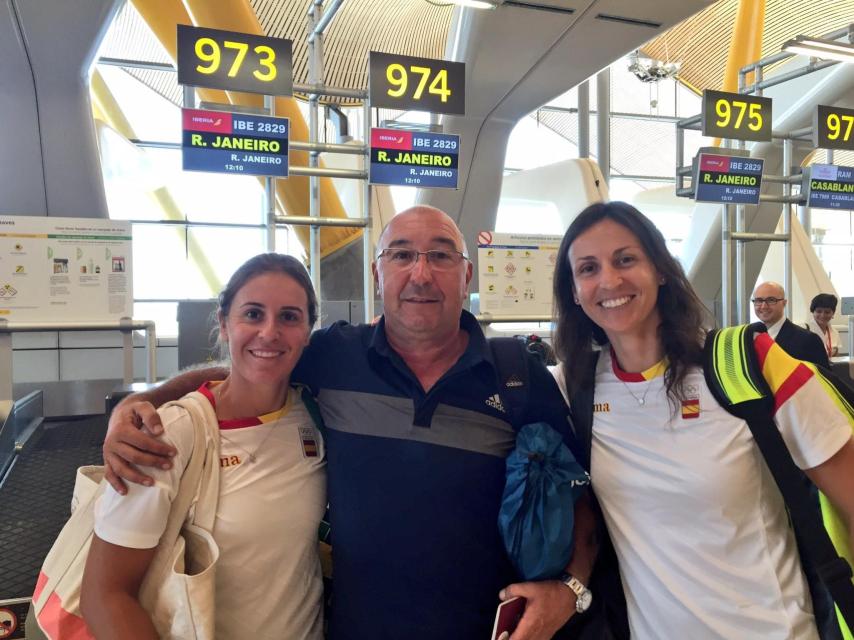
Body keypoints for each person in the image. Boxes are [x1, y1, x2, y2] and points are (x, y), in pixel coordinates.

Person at [100, 206, 596, 640]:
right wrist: (147, 401)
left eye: (441, 256)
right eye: (401, 255)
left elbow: (582, 497)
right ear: (378, 276)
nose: (420, 273)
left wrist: (570, 588)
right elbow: (257, 364)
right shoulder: (337, 357)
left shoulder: (516, 376)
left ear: (467, 277)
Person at [551, 201, 854, 639]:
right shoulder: (574, 389)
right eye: (588, 268)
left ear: (660, 269)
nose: (609, 280)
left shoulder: (749, 364)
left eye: (625, 259)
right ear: (574, 292)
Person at [80, 254, 326, 639]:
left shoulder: (312, 413)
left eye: (290, 317)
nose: (270, 332)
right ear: (224, 323)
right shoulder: (169, 434)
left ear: (310, 331)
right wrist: (127, 410)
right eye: (253, 314)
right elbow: (105, 595)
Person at [752, 281, 830, 368]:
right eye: (758, 300)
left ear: (784, 303)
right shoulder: (749, 337)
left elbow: (823, 378)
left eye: (771, 300)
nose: (763, 306)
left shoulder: (808, 340)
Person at [806, 293, 840, 359]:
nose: (822, 315)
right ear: (813, 311)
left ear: (833, 313)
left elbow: (836, 357)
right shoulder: (804, 330)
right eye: (819, 311)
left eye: (827, 312)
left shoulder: (835, 333)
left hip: (829, 368)